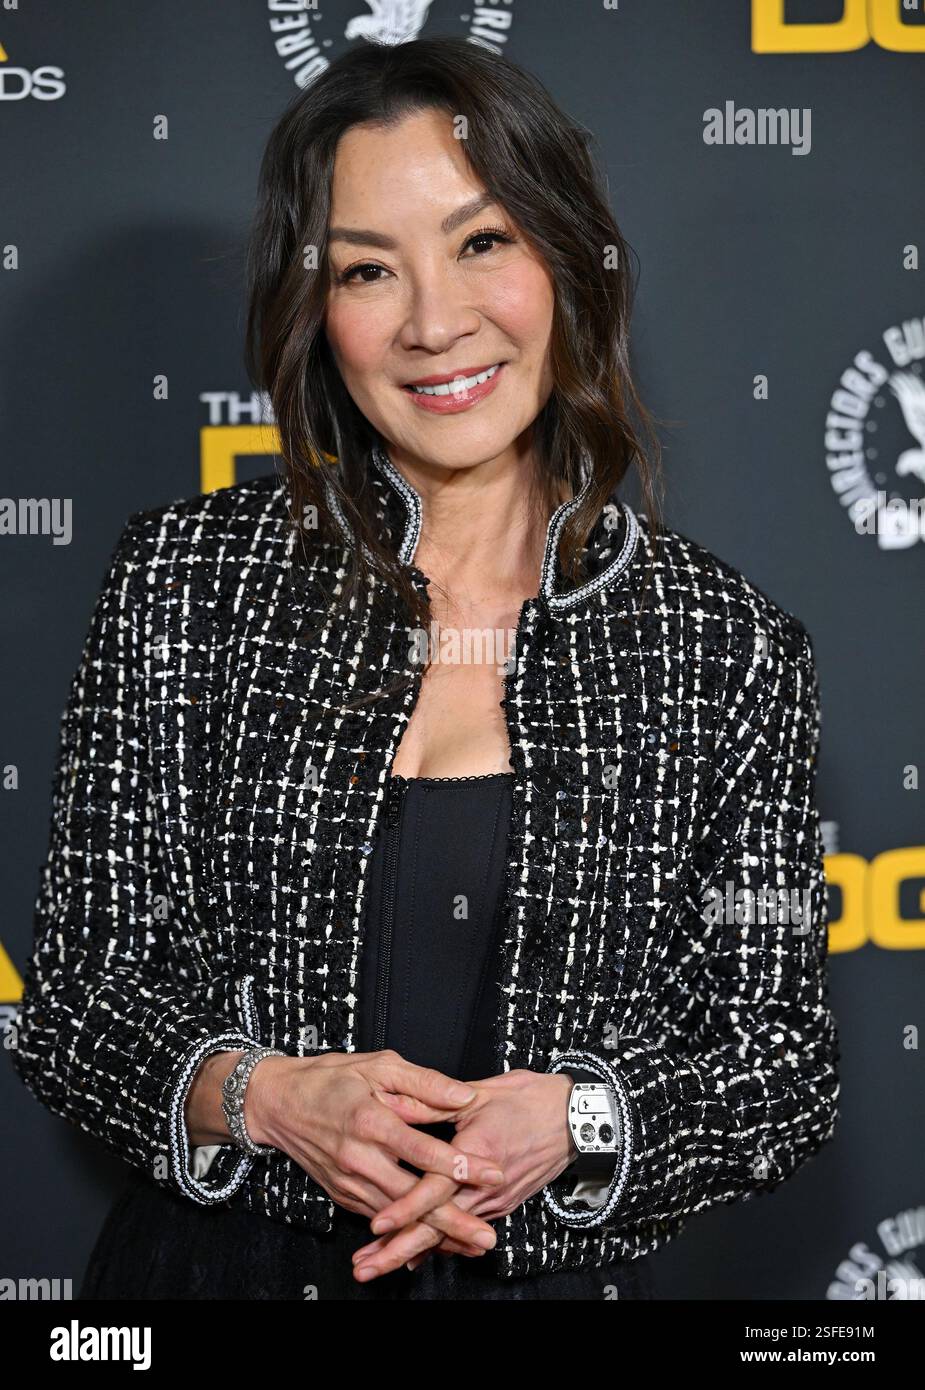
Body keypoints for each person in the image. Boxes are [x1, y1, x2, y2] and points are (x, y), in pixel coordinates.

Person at [11, 36, 839, 1300]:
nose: (434, 321)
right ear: (315, 310)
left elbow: (779, 1057)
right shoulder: (185, 585)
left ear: (564, 255)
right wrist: (267, 1098)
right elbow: (73, 1005)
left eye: (481, 242)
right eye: (366, 268)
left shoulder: (723, 648)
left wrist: (582, 1120)